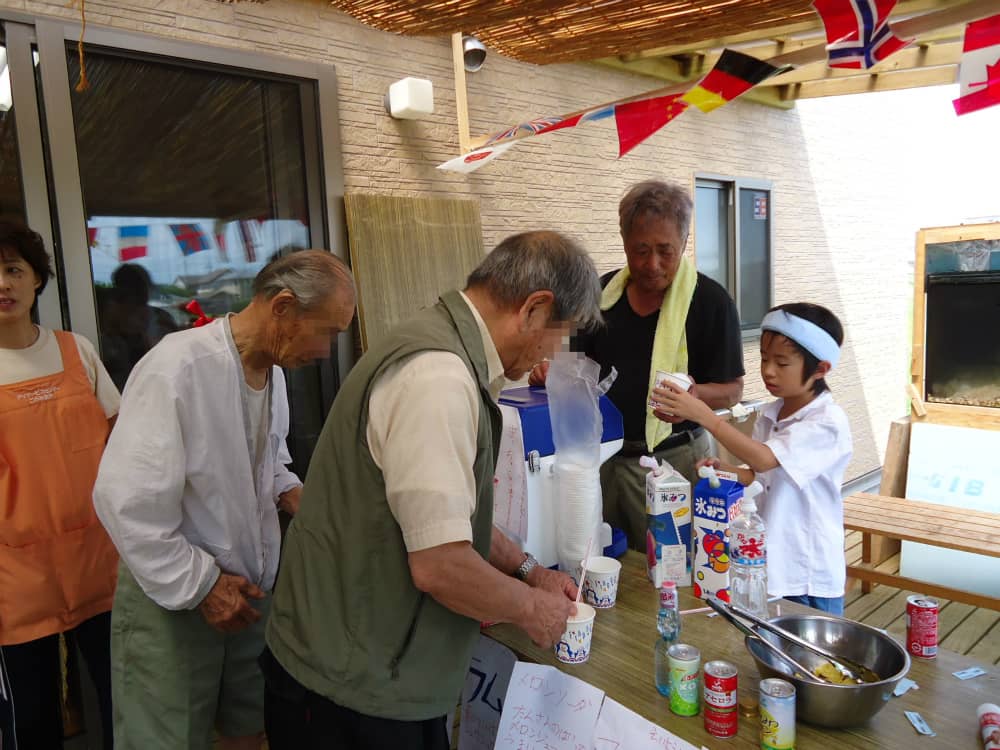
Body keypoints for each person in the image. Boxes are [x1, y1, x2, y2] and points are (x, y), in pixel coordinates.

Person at [261, 231, 602, 750]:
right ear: (534, 309)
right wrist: (532, 610)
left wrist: (530, 571)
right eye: (561, 335)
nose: (554, 353)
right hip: (349, 686)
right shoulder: (439, 377)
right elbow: (440, 564)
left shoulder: (441, 344)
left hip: (364, 667)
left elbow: (446, 515)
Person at [93, 250, 356, 750]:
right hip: (171, 595)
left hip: (247, 591)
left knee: (248, 729)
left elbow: (266, 461)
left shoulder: (272, 372)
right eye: (326, 332)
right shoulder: (179, 366)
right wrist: (202, 584)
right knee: (165, 740)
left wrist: (299, 498)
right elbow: (124, 501)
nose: (325, 351)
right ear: (282, 306)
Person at [530, 180, 744, 550]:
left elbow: (733, 390)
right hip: (604, 458)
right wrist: (550, 372)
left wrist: (695, 397)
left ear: (684, 242)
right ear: (624, 240)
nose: (652, 264)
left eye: (666, 250)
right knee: (604, 557)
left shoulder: (711, 302)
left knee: (676, 565)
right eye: (640, 250)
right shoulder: (600, 295)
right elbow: (570, 361)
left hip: (677, 458)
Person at [0, 218, 120, 749]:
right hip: (15, 573)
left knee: (126, 698)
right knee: (33, 716)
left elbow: (122, 443)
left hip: (101, 556)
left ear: (37, 280)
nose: (2, 284)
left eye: (12, 270)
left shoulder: (77, 350)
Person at [656, 302, 852, 615]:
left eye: (782, 362)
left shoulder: (827, 421)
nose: (768, 370)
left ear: (820, 369)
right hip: (766, 565)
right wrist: (727, 471)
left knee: (812, 660)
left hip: (807, 575)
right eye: (763, 358)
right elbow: (759, 477)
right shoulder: (772, 413)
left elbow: (763, 460)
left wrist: (703, 415)